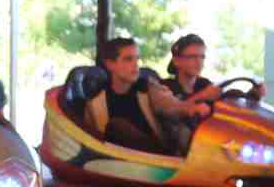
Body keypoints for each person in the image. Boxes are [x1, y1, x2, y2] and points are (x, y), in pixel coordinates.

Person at [77, 35, 211, 154]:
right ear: (110, 64)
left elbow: (172, 105)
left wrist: (189, 108)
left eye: (137, 59)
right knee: (117, 126)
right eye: (128, 59)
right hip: (115, 162)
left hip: (156, 156)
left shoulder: (149, 88)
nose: (136, 65)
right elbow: (90, 141)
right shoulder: (95, 102)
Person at [163, 34, 221, 106]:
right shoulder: (164, 88)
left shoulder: (206, 84)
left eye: (202, 57)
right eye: (193, 56)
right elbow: (172, 110)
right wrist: (201, 96)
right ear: (176, 61)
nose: (199, 61)